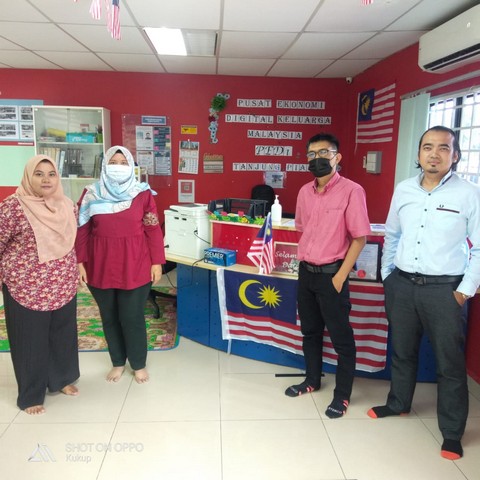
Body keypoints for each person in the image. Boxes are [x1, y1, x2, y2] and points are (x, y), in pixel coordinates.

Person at [368, 126, 480, 460]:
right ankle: (398, 404)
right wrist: (388, 276)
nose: (434, 154)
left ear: (455, 155)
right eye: (428, 147)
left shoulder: (470, 194)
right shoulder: (404, 189)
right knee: (402, 352)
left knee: (449, 364)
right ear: (418, 154)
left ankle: (452, 432)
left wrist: (463, 292)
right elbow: (392, 235)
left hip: (445, 291)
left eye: (443, 148)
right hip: (402, 285)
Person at [285, 133, 371, 419]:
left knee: (341, 338)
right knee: (310, 332)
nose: (317, 159)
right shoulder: (304, 192)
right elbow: (302, 228)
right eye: (311, 154)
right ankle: (312, 380)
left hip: (332, 275)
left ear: (337, 157)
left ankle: (342, 395)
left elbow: (359, 238)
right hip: (306, 273)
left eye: (324, 153)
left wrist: (340, 277)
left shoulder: (352, 191)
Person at [75, 146, 165, 384]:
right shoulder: (91, 193)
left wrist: (157, 261)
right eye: (113, 162)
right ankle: (117, 362)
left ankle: (138, 364)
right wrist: (79, 262)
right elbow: (82, 229)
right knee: (109, 316)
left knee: (131, 316)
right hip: (100, 264)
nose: (118, 166)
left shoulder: (142, 193)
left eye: (123, 163)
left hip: (136, 262)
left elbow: (152, 228)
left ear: (131, 166)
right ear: (105, 165)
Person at [0, 155, 80, 415]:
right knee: (29, 340)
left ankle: (62, 379)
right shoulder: (13, 207)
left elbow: (72, 241)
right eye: (39, 173)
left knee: (62, 335)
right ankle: (31, 394)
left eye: (51, 174)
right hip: (26, 286)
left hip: (62, 282)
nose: (46, 179)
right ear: (28, 176)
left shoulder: (67, 205)